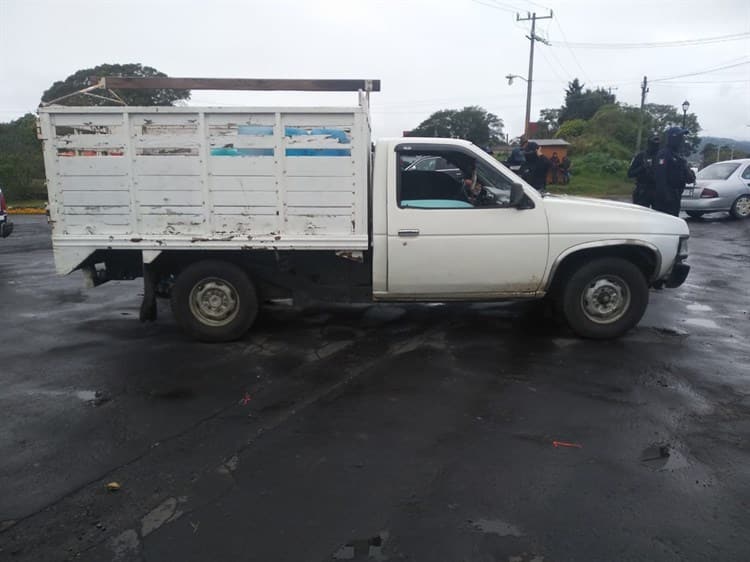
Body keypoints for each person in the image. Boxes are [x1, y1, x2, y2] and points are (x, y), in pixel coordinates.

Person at [653, 127, 696, 216]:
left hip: (676, 196)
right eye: (680, 137)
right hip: (665, 199)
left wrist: (690, 173)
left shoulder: (678, 157)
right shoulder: (664, 154)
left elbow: (689, 178)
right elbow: (660, 177)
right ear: (673, 138)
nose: (682, 140)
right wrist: (666, 196)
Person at [627, 133, 660, 207]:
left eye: (657, 142)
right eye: (654, 142)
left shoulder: (661, 156)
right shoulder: (641, 156)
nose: (655, 145)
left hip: (656, 190)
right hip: (642, 190)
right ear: (649, 143)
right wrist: (642, 167)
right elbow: (630, 174)